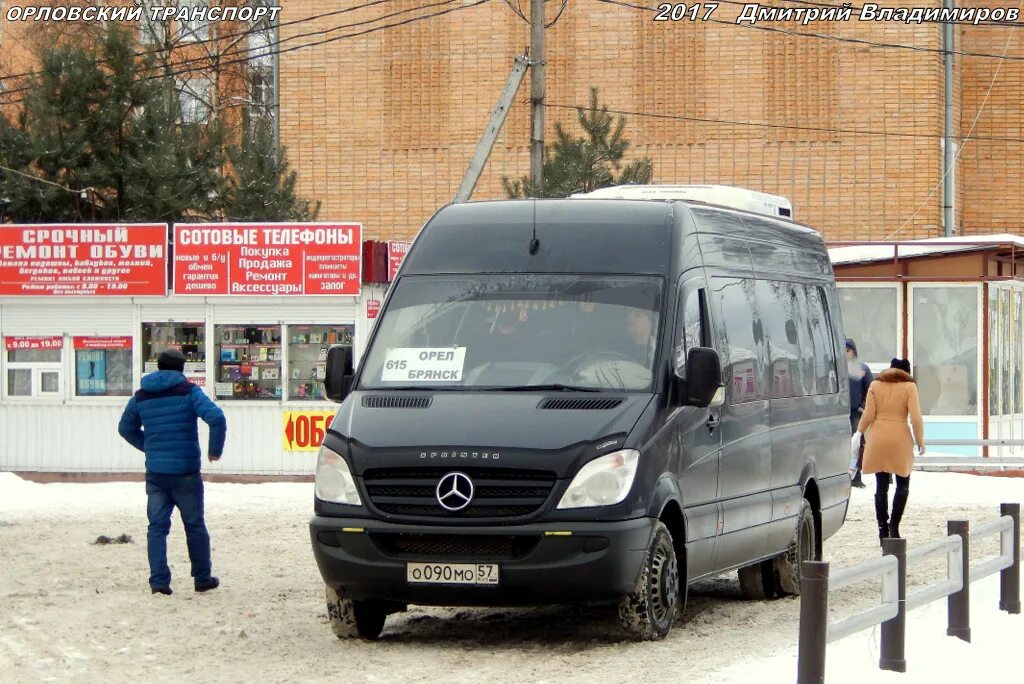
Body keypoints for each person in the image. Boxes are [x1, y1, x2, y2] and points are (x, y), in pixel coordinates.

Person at [118, 349, 227, 595]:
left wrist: (149, 446)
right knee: (194, 525)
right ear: (181, 368)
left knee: (156, 527)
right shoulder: (189, 392)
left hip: (156, 473)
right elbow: (217, 418)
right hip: (185, 472)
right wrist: (214, 450)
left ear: (158, 366)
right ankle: (202, 578)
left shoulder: (141, 396)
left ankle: (159, 582)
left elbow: (125, 428)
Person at [857, 357, 925, 545]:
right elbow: (916, 418)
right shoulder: (909, 387)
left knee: (881, 486)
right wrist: (920, 440)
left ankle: (882, 528)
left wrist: (859, 432)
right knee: (903, 484)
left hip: (878, 438)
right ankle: (894, 525)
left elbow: (868, 414)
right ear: (907, 372)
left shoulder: (875, 385)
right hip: (900, 439)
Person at [846, 339, 874, 488]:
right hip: (840, 413)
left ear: (854, 351)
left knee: (856, 445)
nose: (845, 354)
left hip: (856, 413)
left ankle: (856, 477)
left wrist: (863, 408)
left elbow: (871, 390)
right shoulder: (837, 369)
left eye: (848, 351)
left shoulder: (862, 369)